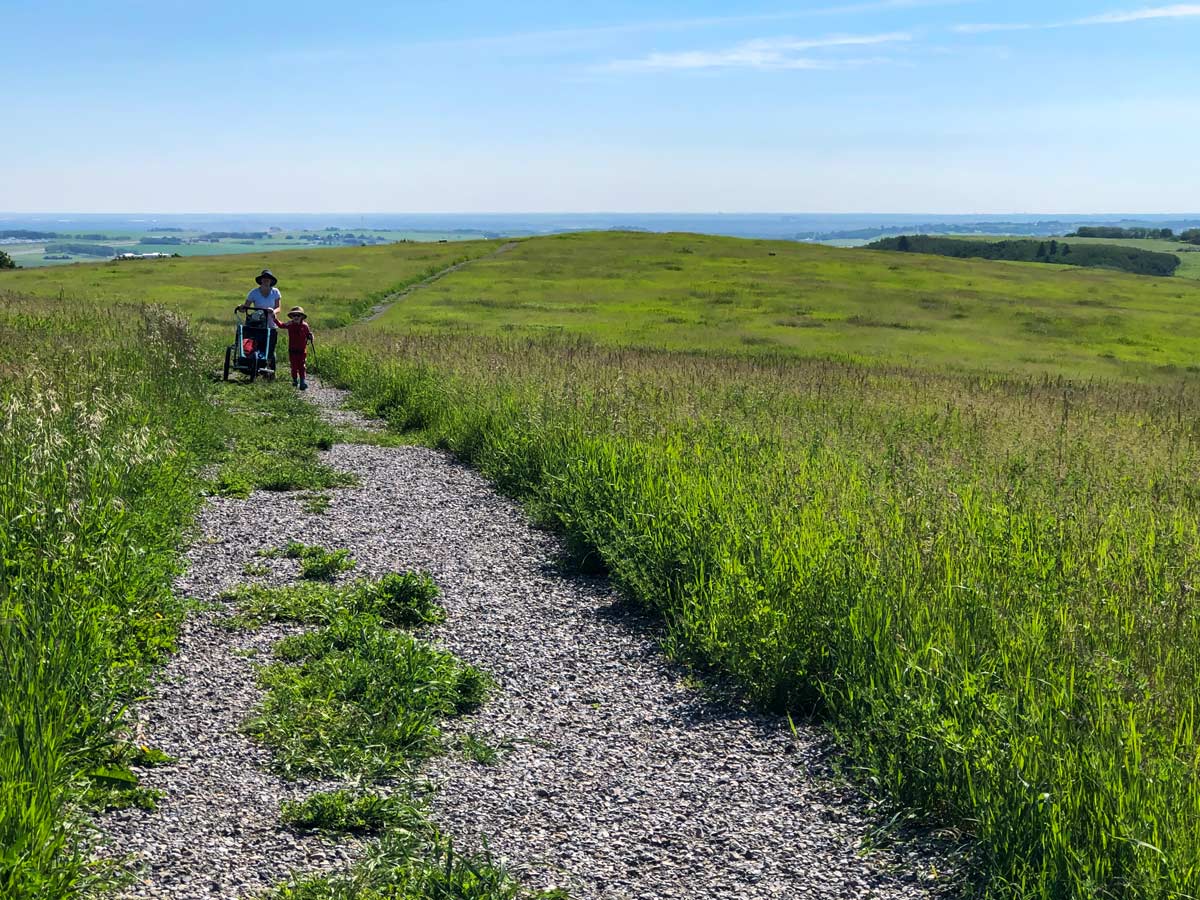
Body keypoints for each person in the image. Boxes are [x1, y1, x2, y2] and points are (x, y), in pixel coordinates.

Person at [237, 269, 282, 369]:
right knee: (254, 343)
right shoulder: (254, 292)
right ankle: (251, 361)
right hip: (258, 323)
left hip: (270, 323)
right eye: (264, 279)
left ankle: (267, 365)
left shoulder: (275, 292)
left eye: (268, 279)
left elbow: (278, 307)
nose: (266, 280)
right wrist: (241, 307)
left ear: (271, 281)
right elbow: (246, 307)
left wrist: (273, 312)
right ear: (261, 280)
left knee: (269, 347)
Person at [278, 306, 314, 390]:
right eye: (294, 315)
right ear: (292, 317)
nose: (296, 317)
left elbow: (309, 335)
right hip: (292, 350)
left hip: (302, 350)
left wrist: (311, 337)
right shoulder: (290, 324)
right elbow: (281, 325)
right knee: (294, 367)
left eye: (298, 315)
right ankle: (294, 380)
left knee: (302, 366)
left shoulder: (305, 326)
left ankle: (302, 382)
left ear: (302, 317)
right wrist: (274, 318)